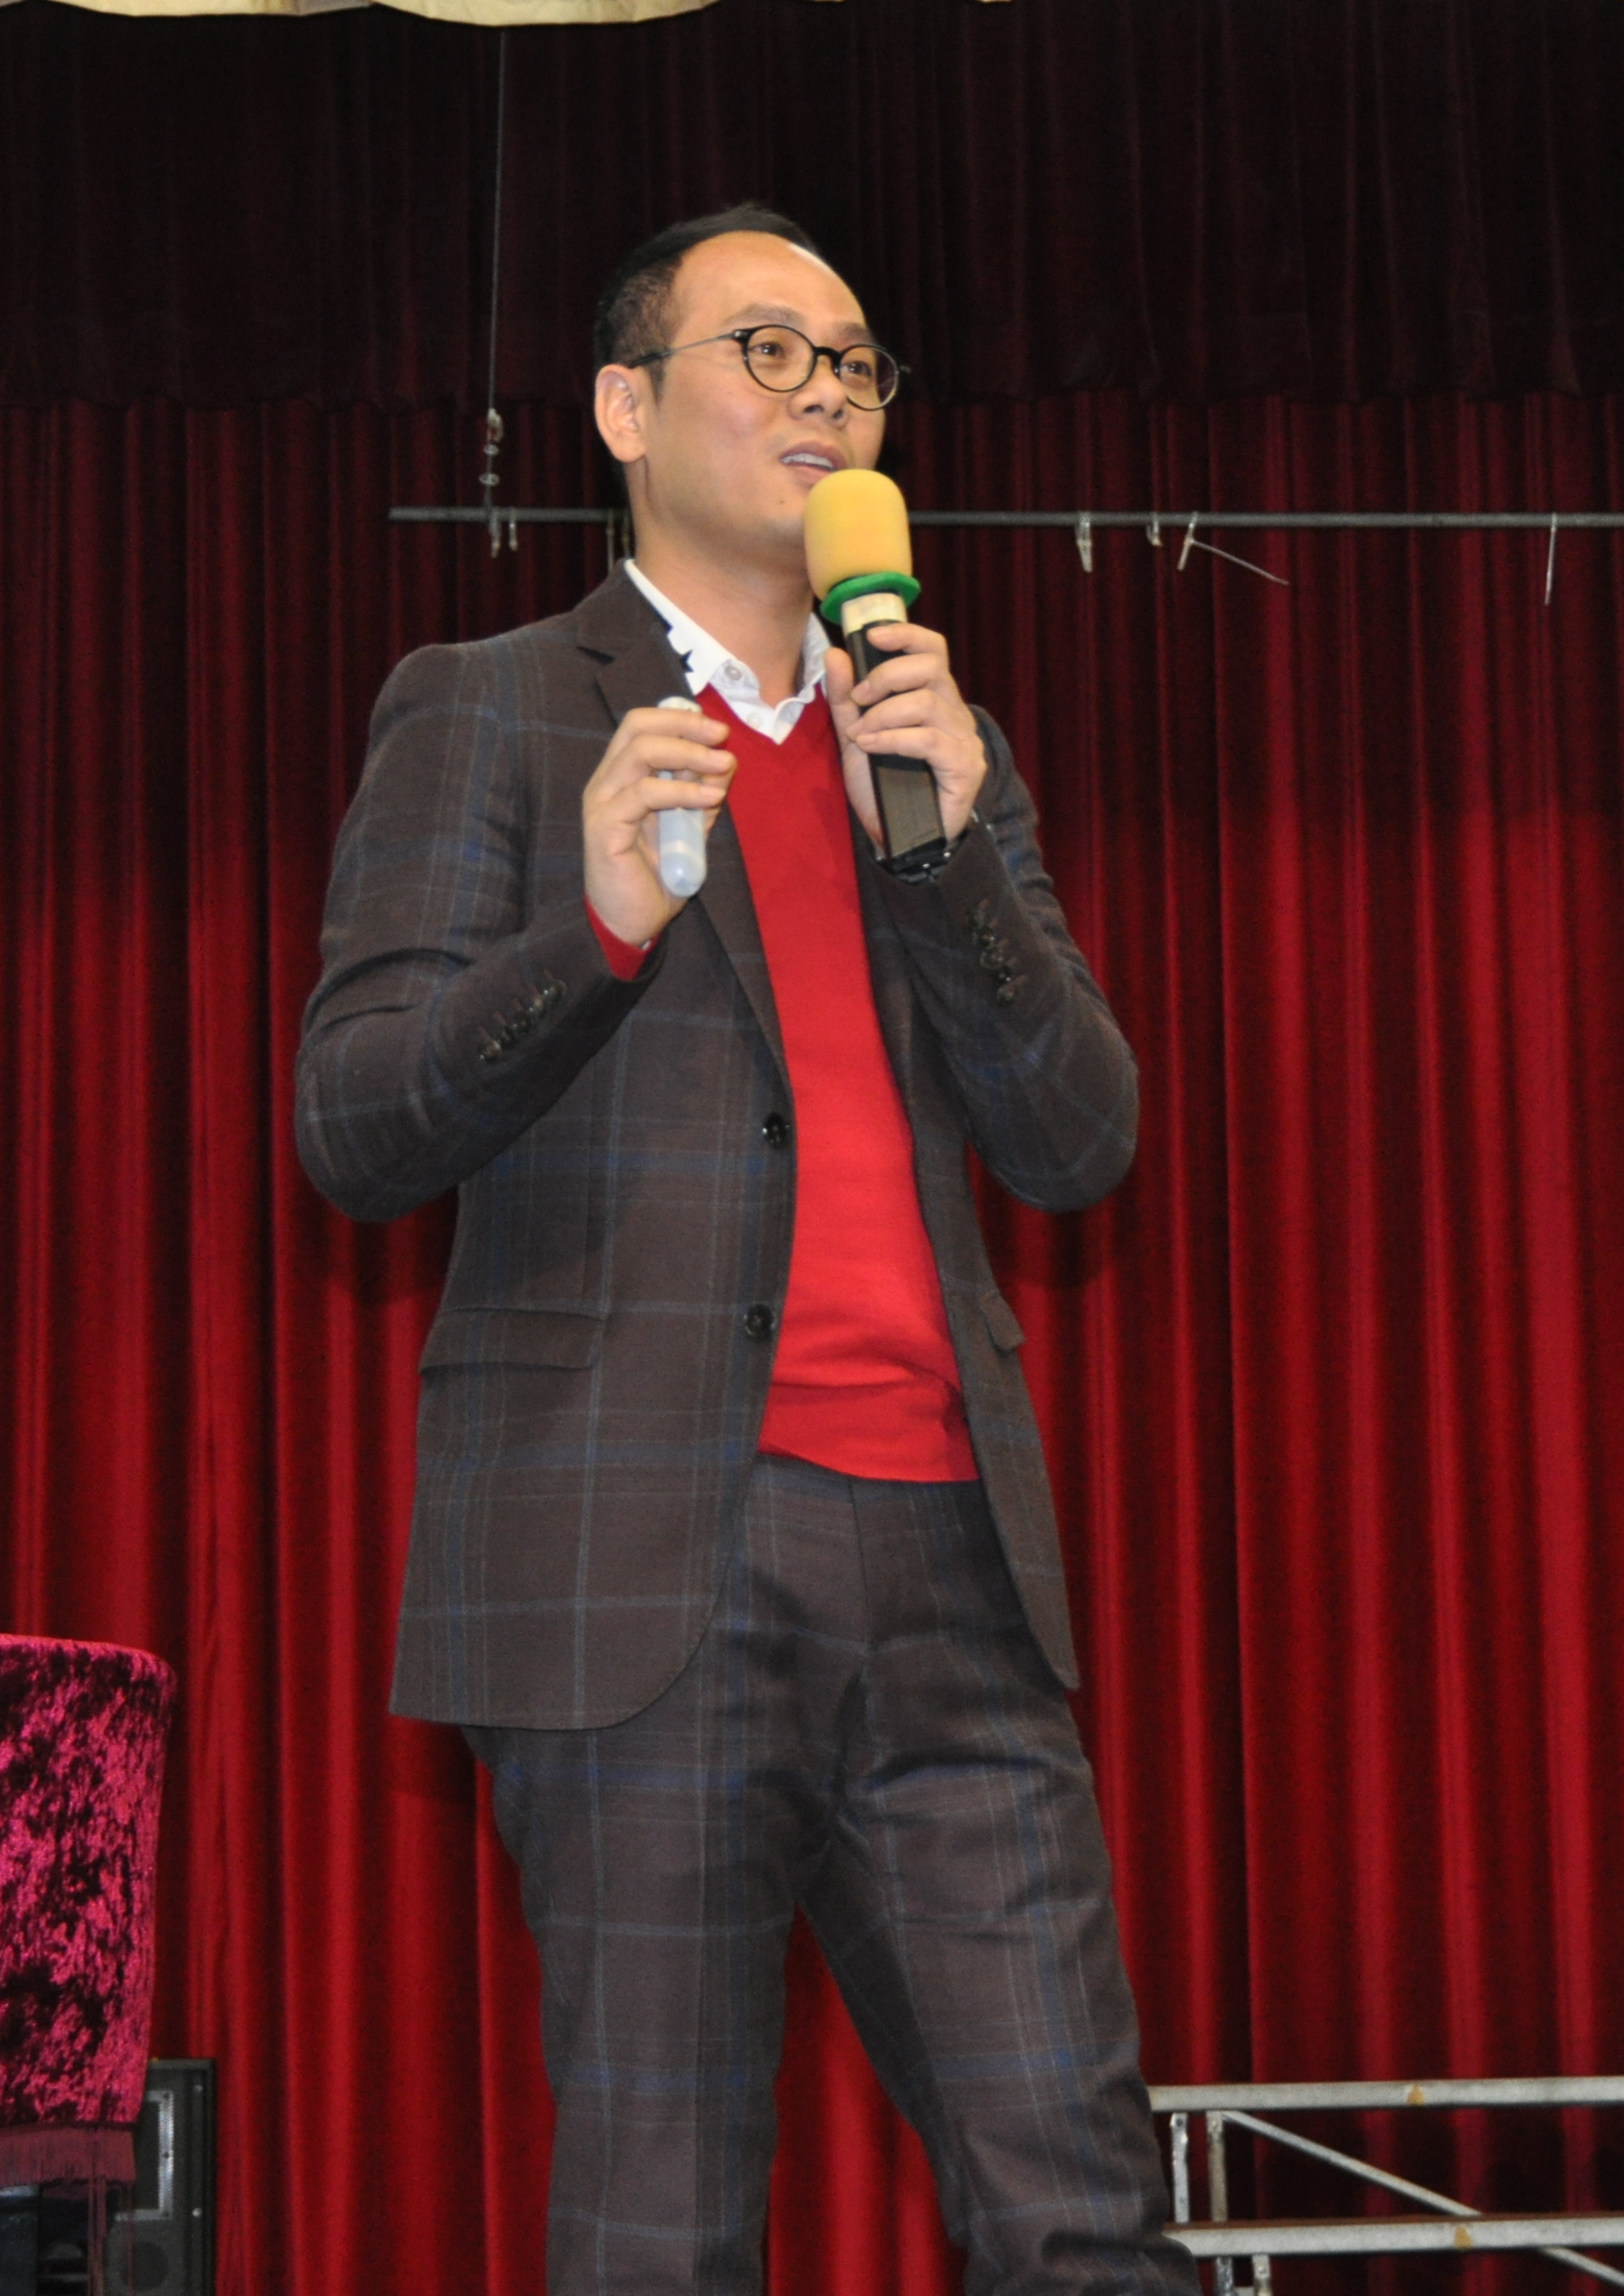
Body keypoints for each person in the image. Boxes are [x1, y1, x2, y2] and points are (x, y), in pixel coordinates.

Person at [293, 206, 1185, 2296]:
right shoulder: (495, 711)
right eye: (768, 352)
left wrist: (946, 854)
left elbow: (1080, 1143)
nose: (826, 398)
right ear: (626, 409)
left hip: (953, 1570)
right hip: (647, 1576)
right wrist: (598, 922)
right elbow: (355, 1127)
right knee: (667, 2240)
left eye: (855, 366)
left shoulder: (933, 742)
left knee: (1086, 2219)